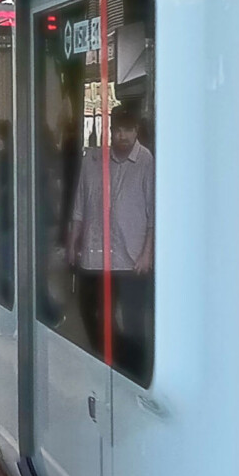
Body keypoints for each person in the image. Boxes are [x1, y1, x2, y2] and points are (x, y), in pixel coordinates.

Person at [67, 99, 156, 369]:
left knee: (132, 319)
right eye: (118, 129)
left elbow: (153, 212)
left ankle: (134, 369)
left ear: (137, 130)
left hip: (130, 258)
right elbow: (80, 205)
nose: (122, 136)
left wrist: (146, 254)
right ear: (110, 130)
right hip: (95, 256)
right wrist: (72, 243)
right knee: (92, 311)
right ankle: (108, 363)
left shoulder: (146, 161)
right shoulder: (93, 160)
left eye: (128, 130)